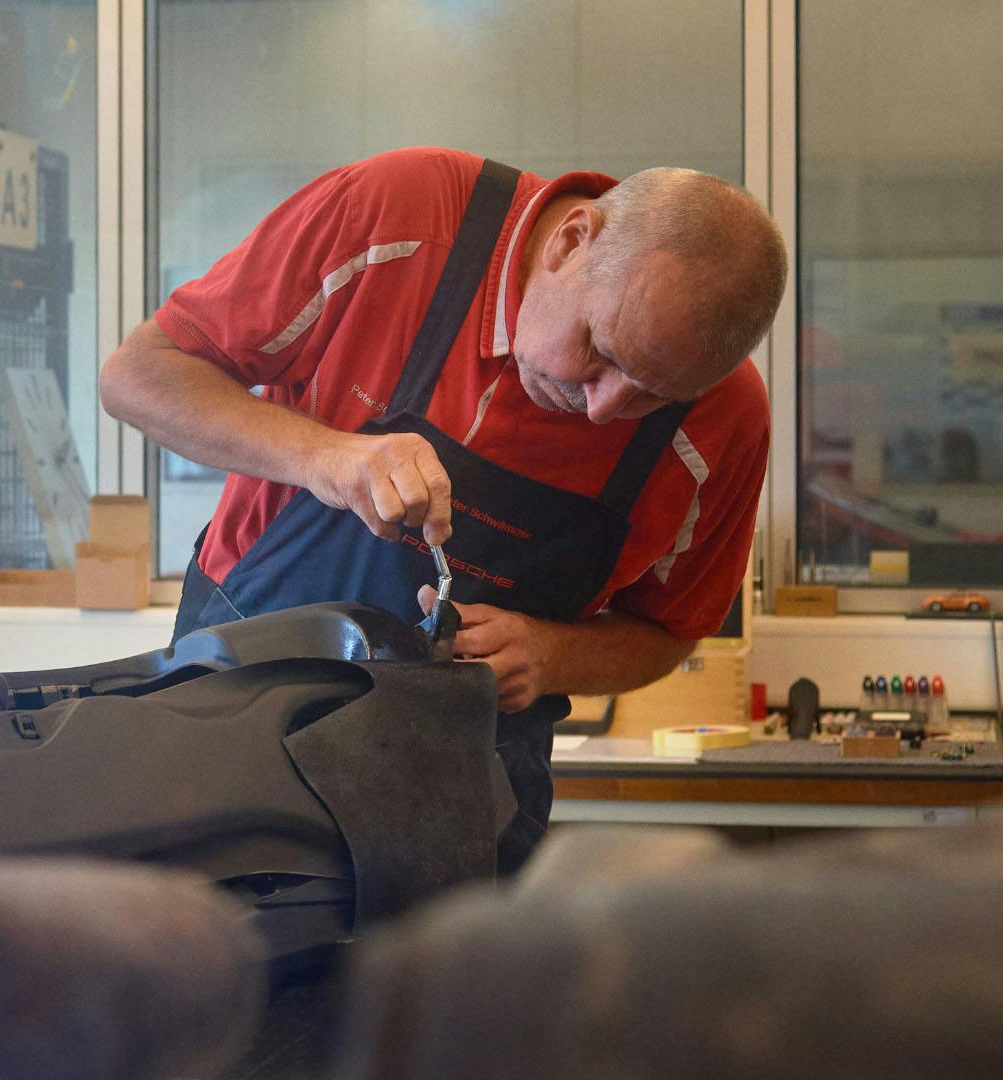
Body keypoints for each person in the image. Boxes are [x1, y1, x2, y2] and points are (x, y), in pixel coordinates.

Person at [99, 146, 786, 871]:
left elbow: (669, 630)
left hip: (467, 787)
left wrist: (553, 654)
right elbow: (138, 377)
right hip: (233, 719)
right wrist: (326, 456)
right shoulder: (401, 215)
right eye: (602, 351)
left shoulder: (728, 422)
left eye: (654, 395)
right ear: (571, 241)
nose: (603, 407)